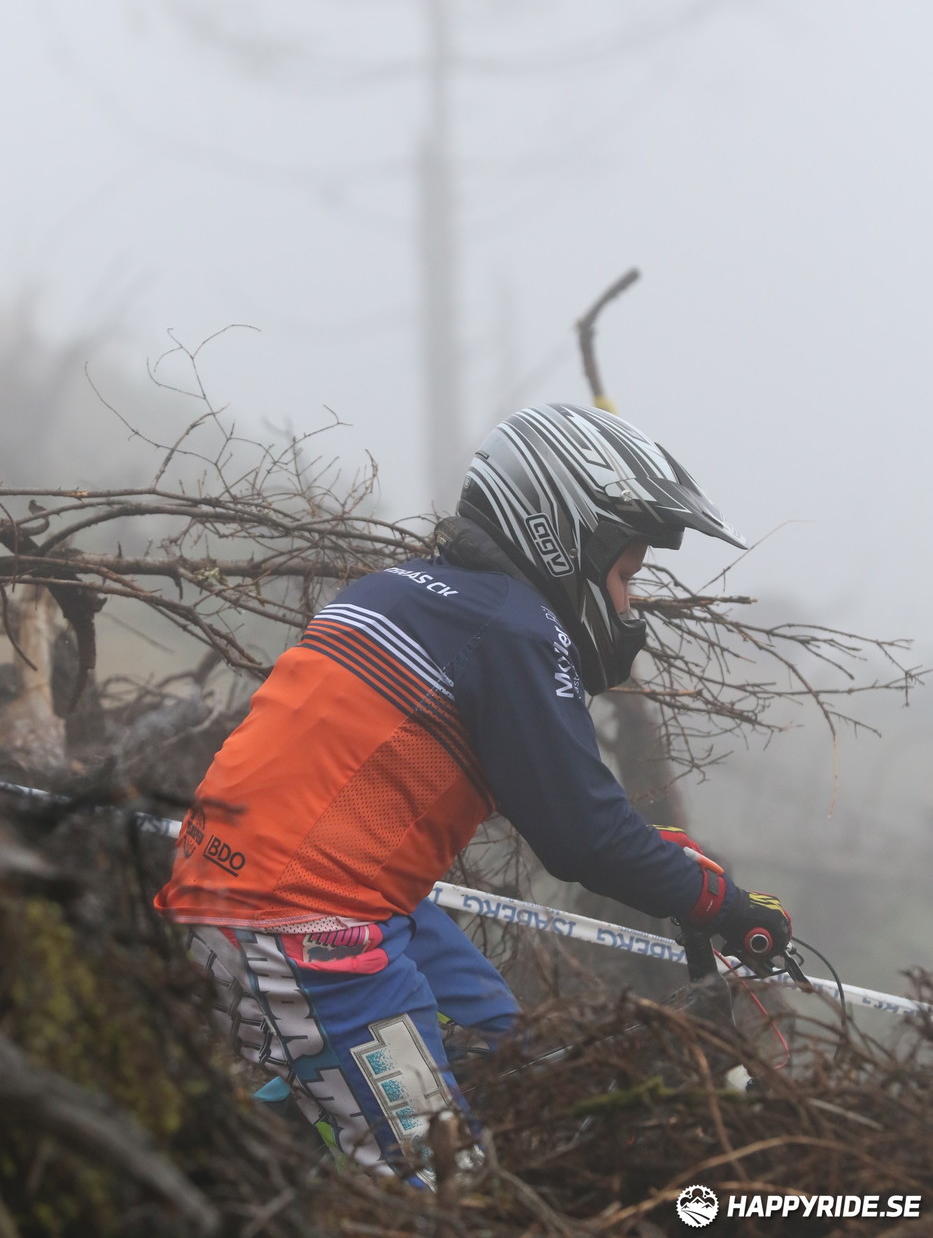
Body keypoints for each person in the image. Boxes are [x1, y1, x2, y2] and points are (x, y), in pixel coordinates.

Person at [154, 402, 791, 1182]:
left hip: (275, 893)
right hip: (305, 926)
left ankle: (283, 1134)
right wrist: (724, 905)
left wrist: (661, 859)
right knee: (452, 1190)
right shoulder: (515, 629)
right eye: (625, 576)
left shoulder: (404, 593)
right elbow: (582, 837)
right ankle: (296, 1156)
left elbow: (559, 803)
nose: (627, 605)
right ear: (564, 534)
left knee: (514, 1059)